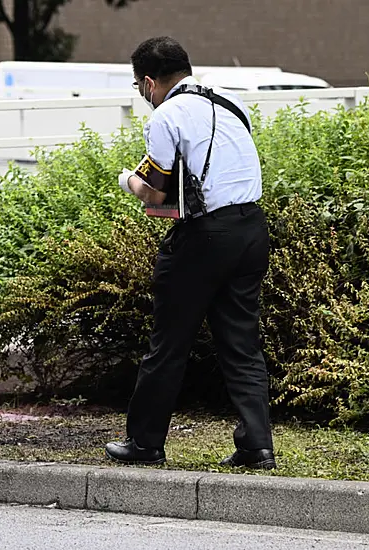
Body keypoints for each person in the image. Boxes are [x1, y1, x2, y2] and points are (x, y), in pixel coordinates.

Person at [105, 37, 276, 470]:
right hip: (252, 229)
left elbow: (155, 192)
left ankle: (144, 443)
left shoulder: (168, 115)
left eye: (139, 88)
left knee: (169, 342)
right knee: (241, 343)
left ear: (148, 83)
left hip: (204, 237)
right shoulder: (230, 102)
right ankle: (257, 445)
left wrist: (127, 179)